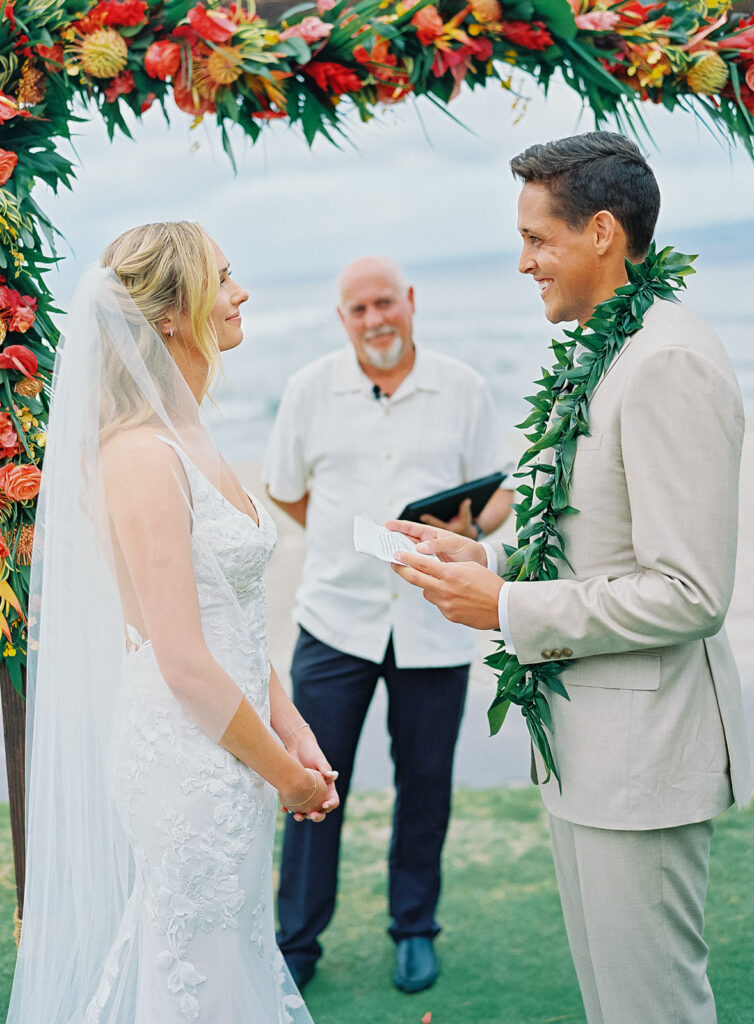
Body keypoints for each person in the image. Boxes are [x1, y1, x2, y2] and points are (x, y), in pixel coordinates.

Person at [390, 132, 752, 1024]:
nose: (522, 264)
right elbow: (598, 541)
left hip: (645, 757)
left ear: (601, 232)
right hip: (586, 747)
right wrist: (488, 560)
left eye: (537, 239)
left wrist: (507, 607)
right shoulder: (605, 349)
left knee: (651, 1008)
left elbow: (689, 592)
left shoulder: (666, 360)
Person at [7, 221, 339, 1024]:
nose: (240, 292)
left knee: (230, 958)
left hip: (234, 739)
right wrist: (283, 773)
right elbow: (182, 658)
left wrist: (292, 730)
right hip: (188, 755)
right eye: (223, 278)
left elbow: (231, 619)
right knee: (195, 971)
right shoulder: (139, 456)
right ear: (170, 313)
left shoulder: (192, 430)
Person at [262, 256, 515, 994]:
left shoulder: (463, 386)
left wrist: (468, 526)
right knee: (312, 780)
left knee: (426, 784)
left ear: (410, 301)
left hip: (436, 625)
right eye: (358, 310)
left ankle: (414, 930)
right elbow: (286, 491)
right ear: (343, 320)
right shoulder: (307, 389)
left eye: (385, 303)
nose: (375, 320)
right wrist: (345, 544)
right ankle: (298, 941)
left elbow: (497, 497)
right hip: (335, 621)